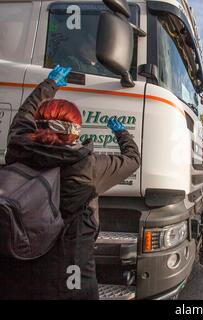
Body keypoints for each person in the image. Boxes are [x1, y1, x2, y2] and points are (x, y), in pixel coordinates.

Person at [0, 65, 141, 300]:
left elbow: (24, 115)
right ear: (75, 132)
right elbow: (133, 159)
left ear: (36, 123)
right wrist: (122, 133)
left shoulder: (17, 146)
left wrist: (49, 84)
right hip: (68, 279)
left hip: (13, 272)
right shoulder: (87, 166)